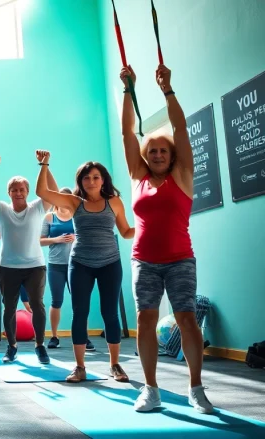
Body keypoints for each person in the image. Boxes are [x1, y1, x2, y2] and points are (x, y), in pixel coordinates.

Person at [121, 64, 213, 414]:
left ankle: (196, 388)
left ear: (172, 156)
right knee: (145, 319)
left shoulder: (183, 175)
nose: (157, 154)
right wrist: (129, 89)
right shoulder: (137, 178)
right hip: (143, 259)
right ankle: (150, 389)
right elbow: (128, 132)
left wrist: (167, 89)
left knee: (186, 318)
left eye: (163, 151)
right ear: (146, 157)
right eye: (152, 151)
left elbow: (180, 128)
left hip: (179, 259)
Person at [33, 150, 133, 384]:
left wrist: (150, 228)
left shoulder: (114, 202)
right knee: (80, 313)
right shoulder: (73, 202)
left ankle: (115, 365)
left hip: (110, 262)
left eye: (96, 177)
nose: (91, 181)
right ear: (80, 181)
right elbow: (42, 192)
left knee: (110, 313)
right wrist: (44, 164)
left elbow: (126, 232)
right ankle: (80, 367)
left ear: (103, 179)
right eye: (86, 178)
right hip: (80, 263)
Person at [0, 155, 57, 364]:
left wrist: (44, 165)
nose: (18, 193)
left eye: (22, 189)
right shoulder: (2, 209)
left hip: (35, 266)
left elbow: (54, 193)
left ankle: (40, 346)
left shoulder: (38, 207)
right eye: (15, 190)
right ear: (9, 193)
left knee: (37, 305)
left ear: (28, 192)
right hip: (8, 267)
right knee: (9, 307)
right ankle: (12, 346)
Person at [40, 187, 76, 350]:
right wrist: (57, 239)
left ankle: (83, 336)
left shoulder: (77, 216)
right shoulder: (49, 217)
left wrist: (76, 237)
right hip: (56, 265)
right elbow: (39, 240)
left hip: (76, 264)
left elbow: (87, 235)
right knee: (56, 301)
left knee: (80, 302)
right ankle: (54, 336)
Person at [0, 225, 32, 313]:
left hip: (27, 266)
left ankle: (36, 325)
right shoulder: (6, 215)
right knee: (9, 304)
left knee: (29, 304)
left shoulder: (30, 216)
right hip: (9, 266)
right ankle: (8, 326)